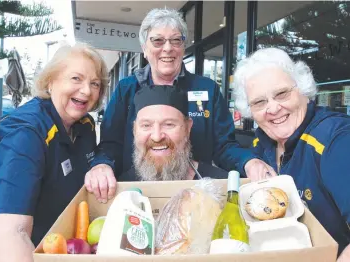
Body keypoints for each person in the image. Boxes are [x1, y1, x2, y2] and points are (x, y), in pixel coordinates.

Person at [85, 8, 275, 203]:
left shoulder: (206, 89)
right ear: (144, 47)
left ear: (183, 47)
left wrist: (248, 161)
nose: (168, 48)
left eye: (176, 40)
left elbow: (224, 146)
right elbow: (110, 145)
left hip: (196, 194)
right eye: (158, 41)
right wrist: (102, 165)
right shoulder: (126, 89)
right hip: (137, 193)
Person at [232, 47, 350, 260]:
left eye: (282, 94)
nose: (273, 108)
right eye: (260, 102)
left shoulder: (335, 140)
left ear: (303, 90)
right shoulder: (264, 140)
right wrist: (250, 162)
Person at [0, 43, 108, 262]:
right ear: (50, 81)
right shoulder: (26, 134)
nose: (86, 90)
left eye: (94, 83)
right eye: (76, 79)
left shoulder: (85, 126)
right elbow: (10, 232)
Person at [122, 84, 228, 181]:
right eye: (146, 125)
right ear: (135, 130)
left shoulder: (221, 183)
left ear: (187, 128)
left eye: (169, 124)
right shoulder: (120, 187)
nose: (157, 137)